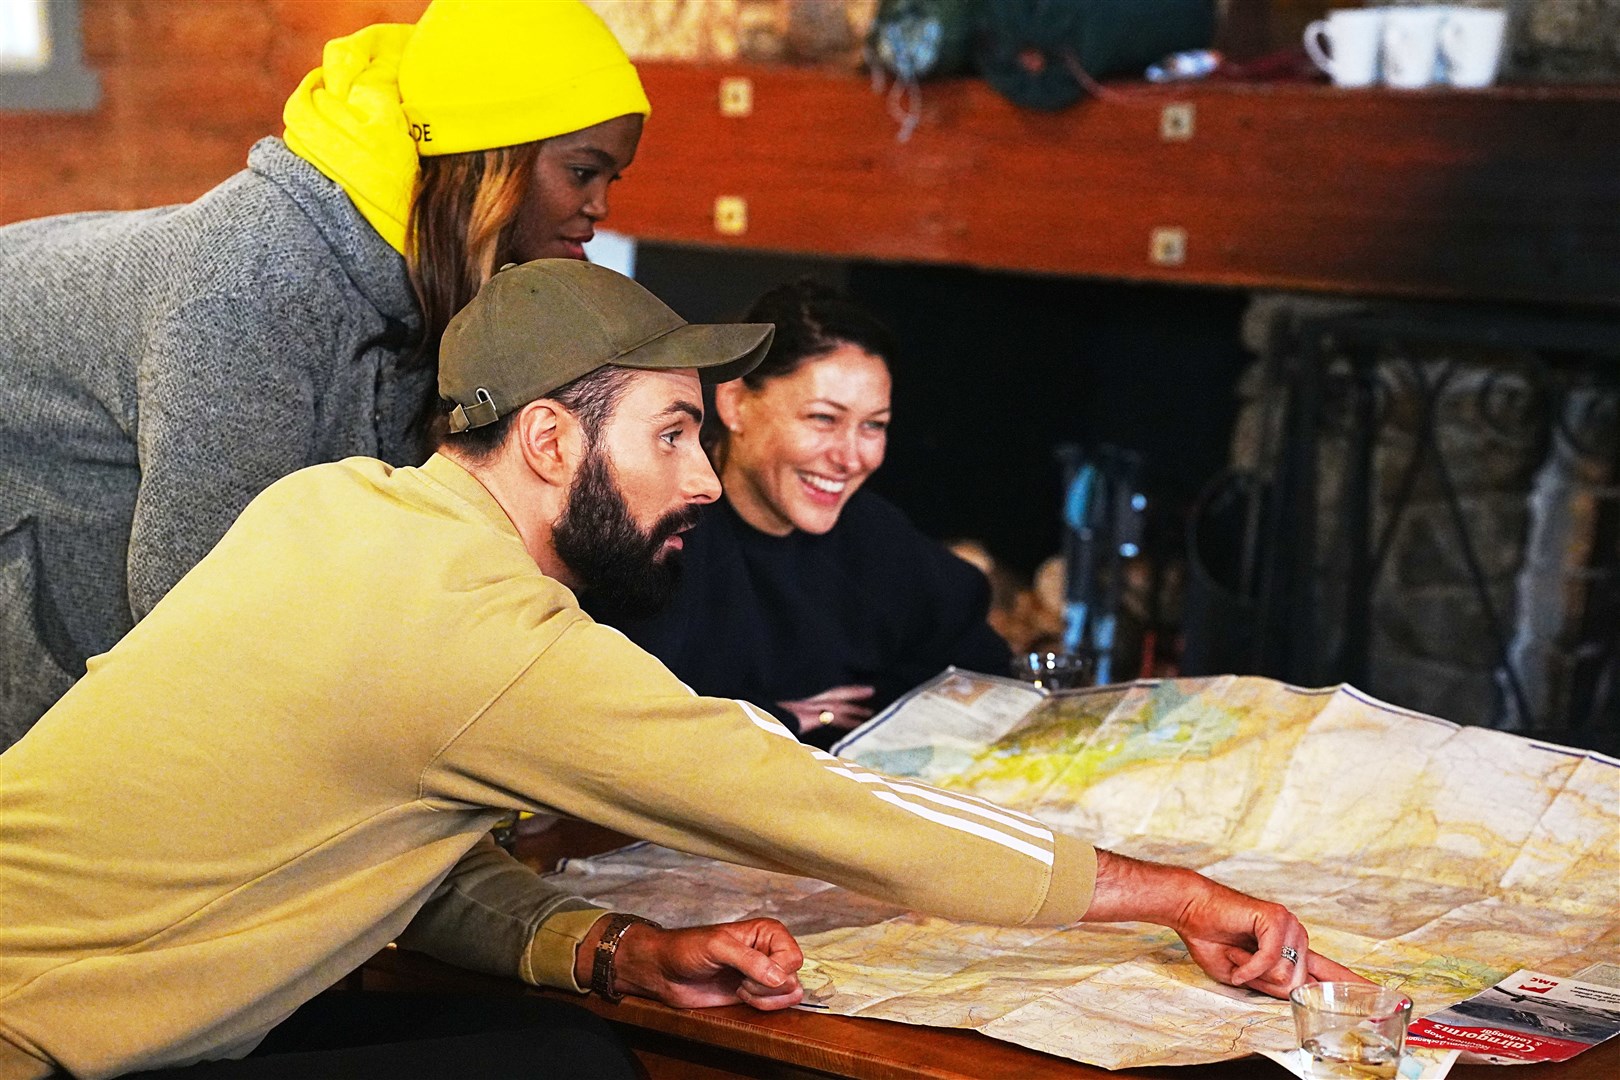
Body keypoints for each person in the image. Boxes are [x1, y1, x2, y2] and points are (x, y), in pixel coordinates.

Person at [0, 261, 1361, 1078]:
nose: (703, 478)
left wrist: (614, 950)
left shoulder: (340, 509)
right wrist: (1172, 893)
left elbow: (388, 854)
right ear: (548, 443)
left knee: (565, 1050)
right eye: (671, 437)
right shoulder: (495, 644)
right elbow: (836, 815)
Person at [0, 0, 649, 749]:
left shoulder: (420, 273)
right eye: (582, 171)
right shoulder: (254, 287)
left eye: (613, 177)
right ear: (488, 158)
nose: (599, 207)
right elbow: (194, 612)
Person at [592, 280, 1012, 746]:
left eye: (874, 426)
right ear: (735, 403)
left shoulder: (876, 536)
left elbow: (980, 667)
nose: (851, 458)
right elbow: (621, 716)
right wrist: (778, 722)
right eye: (823, 419)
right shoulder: (659, 531)